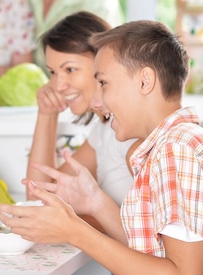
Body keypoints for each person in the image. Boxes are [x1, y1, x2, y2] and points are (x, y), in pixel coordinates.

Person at [0, 20, 203, 274]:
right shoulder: (178, 144)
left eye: (104, 83)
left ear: (144, 81)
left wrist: (75, 231)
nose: (97, 100)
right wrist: (95, 202)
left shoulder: (176, 153)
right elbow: (150, 251)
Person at [26, 12, 140, 209]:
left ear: (103, 63)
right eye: (53, 72)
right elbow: (41, 197)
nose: (58, 86)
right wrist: (46, 114)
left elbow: (149, 235)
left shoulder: (131, 135)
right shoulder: (103, 131)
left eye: (70, 69)